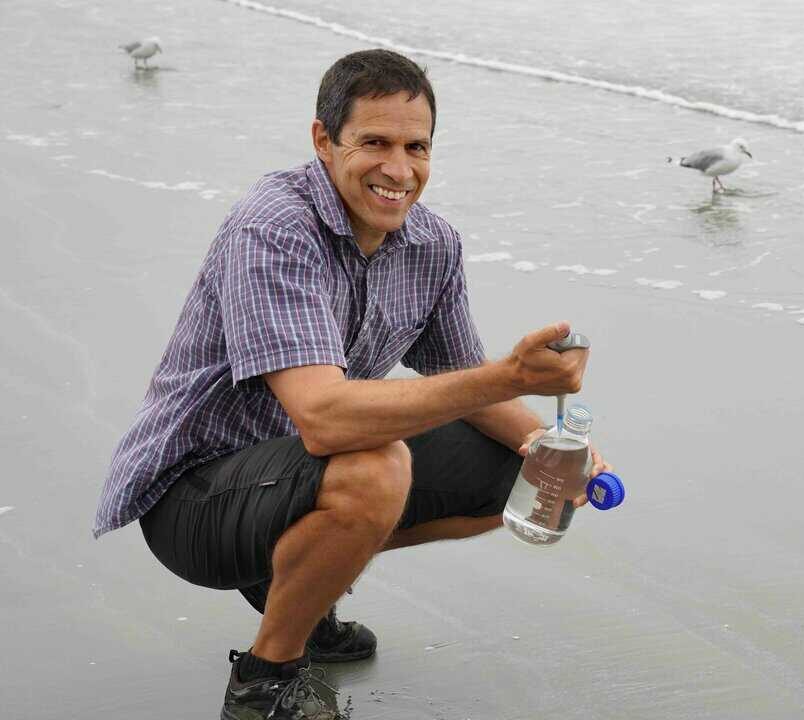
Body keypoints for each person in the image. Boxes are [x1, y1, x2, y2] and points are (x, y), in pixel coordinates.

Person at [93, 49, 609, 720]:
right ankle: (265, 678)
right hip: (193, 501)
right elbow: (326, 420)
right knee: (374, 464)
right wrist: (511, 374)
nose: (399, 170)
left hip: (296, 473)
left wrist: (553, 446)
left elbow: (461, 378)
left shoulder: (434, 246)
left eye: (415, 146)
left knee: (528, 478)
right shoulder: (273, 228)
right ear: (322, 141)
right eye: (374, 142)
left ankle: (302, 580)